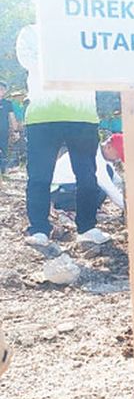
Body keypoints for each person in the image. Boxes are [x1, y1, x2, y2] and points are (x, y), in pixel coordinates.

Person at [16, 24, 110, 247]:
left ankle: (87, 227)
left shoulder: (89, 32)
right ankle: (39, 229)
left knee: (87, 176)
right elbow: (27, 59)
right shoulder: (32, 31)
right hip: (42, 115)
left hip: (83, 115)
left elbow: (102, 63)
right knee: (39, 177)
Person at [51, 134, 125, 213]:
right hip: (59, 191)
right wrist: (129, 209)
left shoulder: (100, 154)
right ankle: (65, 208)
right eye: (117, 155)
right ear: (108, 147)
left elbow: (117, 181)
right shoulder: (95, 157)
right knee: (98, 193)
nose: (117, 159)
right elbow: (110, 189)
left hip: (69, 186)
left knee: (107, 175)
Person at [0, 81, 20, 174]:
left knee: (3, 150)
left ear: (5, 91)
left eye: (2, 89)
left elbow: (12, 117)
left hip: (3, 131)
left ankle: (3, 170)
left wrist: (16, 131)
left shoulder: (7, 103)